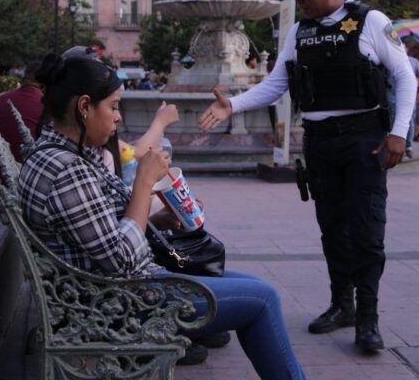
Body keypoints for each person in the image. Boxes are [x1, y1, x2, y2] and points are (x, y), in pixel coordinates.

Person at [18, 55, 306, 380]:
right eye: (113, 107)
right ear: (85, 106)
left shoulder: (56, 154)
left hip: (105, 289)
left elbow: (94, 232)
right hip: (120, 301)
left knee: (255, 287)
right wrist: (144, 182)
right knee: (264, 299)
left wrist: (156, 222)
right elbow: (120, 260)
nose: (117, 118)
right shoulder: (67, 169)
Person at [199, 0, 417, 352]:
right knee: (332, 227)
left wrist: (399, 133)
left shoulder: (370, 21)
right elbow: (276, 84)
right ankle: (342, 305)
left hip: (364, 139)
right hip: (320, 142)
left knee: (367, 231)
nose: (300, 3)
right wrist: (234, 104)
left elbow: (405, 77)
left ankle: (368, 319)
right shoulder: (300, 32)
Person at [0, 60, 44, 178]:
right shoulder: (46, 106)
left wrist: (0, 154)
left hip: (1, 173)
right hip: (31, 177)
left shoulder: (1, 100)